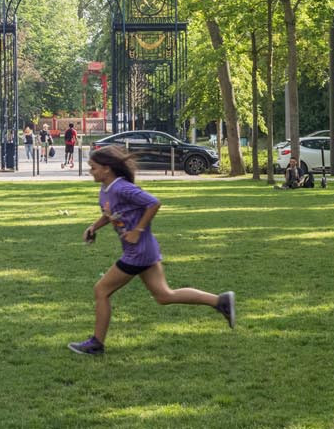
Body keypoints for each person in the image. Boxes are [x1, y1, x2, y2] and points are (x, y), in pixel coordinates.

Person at [68, 145, 234, 356]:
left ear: (107, 169)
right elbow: (111, 213)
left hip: (137, 252)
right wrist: (94, 227)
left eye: (93, 167)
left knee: (101, 290)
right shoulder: (107, 189)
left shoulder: (122, 188)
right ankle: (220, 301)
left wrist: (138, 230)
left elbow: (153, 203)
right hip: (143, 250)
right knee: (164, 295)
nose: (91, 171)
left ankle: (96, 343)